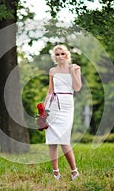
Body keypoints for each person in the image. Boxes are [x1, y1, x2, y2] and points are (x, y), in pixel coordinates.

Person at [43, 44, 82, 181]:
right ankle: (55, 174)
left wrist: (72, 72)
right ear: (54, 56)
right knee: (52, 141)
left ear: (67, 55)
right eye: (57, 54)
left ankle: (74, 172)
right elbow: (50, 90)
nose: (60, 56)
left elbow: (77, 88)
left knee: (64, 140)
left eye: (62, 54)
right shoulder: (52, 71)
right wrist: (43, 110)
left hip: (67, 105)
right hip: (53, 105)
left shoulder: (75, 68)